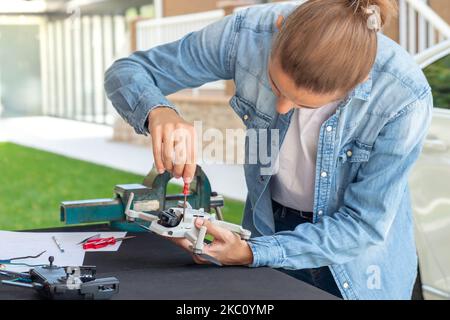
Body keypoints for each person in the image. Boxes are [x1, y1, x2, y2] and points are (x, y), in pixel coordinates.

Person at [104, 0, 433, 299]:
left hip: (357, 268)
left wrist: (252, 253)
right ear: (279, 29)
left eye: (303, 104)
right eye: (275, 85)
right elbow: (127, 71)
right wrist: (159, 113)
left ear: (359, 81)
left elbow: (363, 225)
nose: (281, 106)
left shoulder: (403, 97)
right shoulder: (246, 34)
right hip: (269, 227)